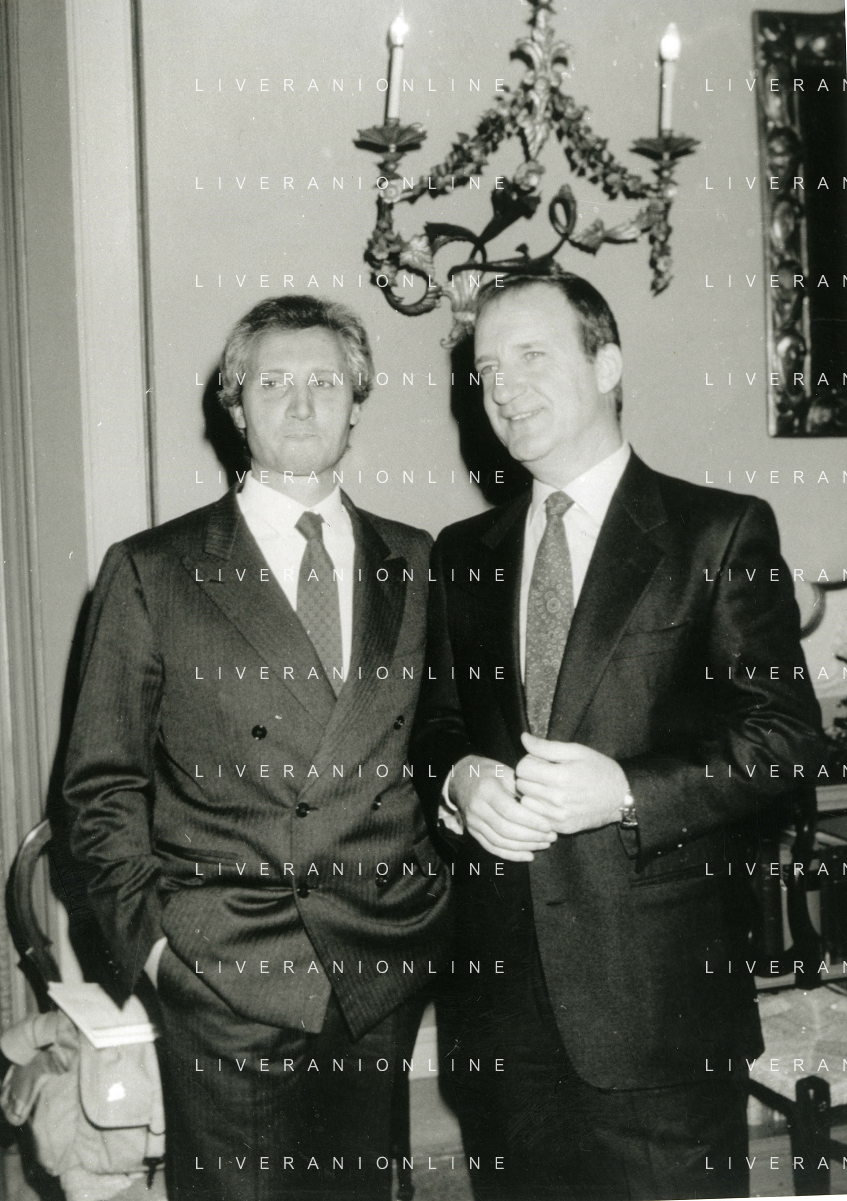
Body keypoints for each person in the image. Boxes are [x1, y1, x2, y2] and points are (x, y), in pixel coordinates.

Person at [411, 271, 823, 1200]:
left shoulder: (718, 530)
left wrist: (629, 792)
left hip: (662, 1016)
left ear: (606, 364)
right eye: (485, 369)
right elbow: (436, 726)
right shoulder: (461, 554)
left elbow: (785, 736)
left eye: (530, 355)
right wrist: (460, 778)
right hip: (502, 1020)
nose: (502, 386)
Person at [64, 294, 450, 1201]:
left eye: (325, 382)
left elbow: (442, 746)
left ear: (357, 403)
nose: (302, 404)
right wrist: (155, 951)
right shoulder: (152, 570)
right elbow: (99, 786)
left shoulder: (418, 560)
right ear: (235, 407)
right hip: (224, 967)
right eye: (274, 383)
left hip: (378, 963)